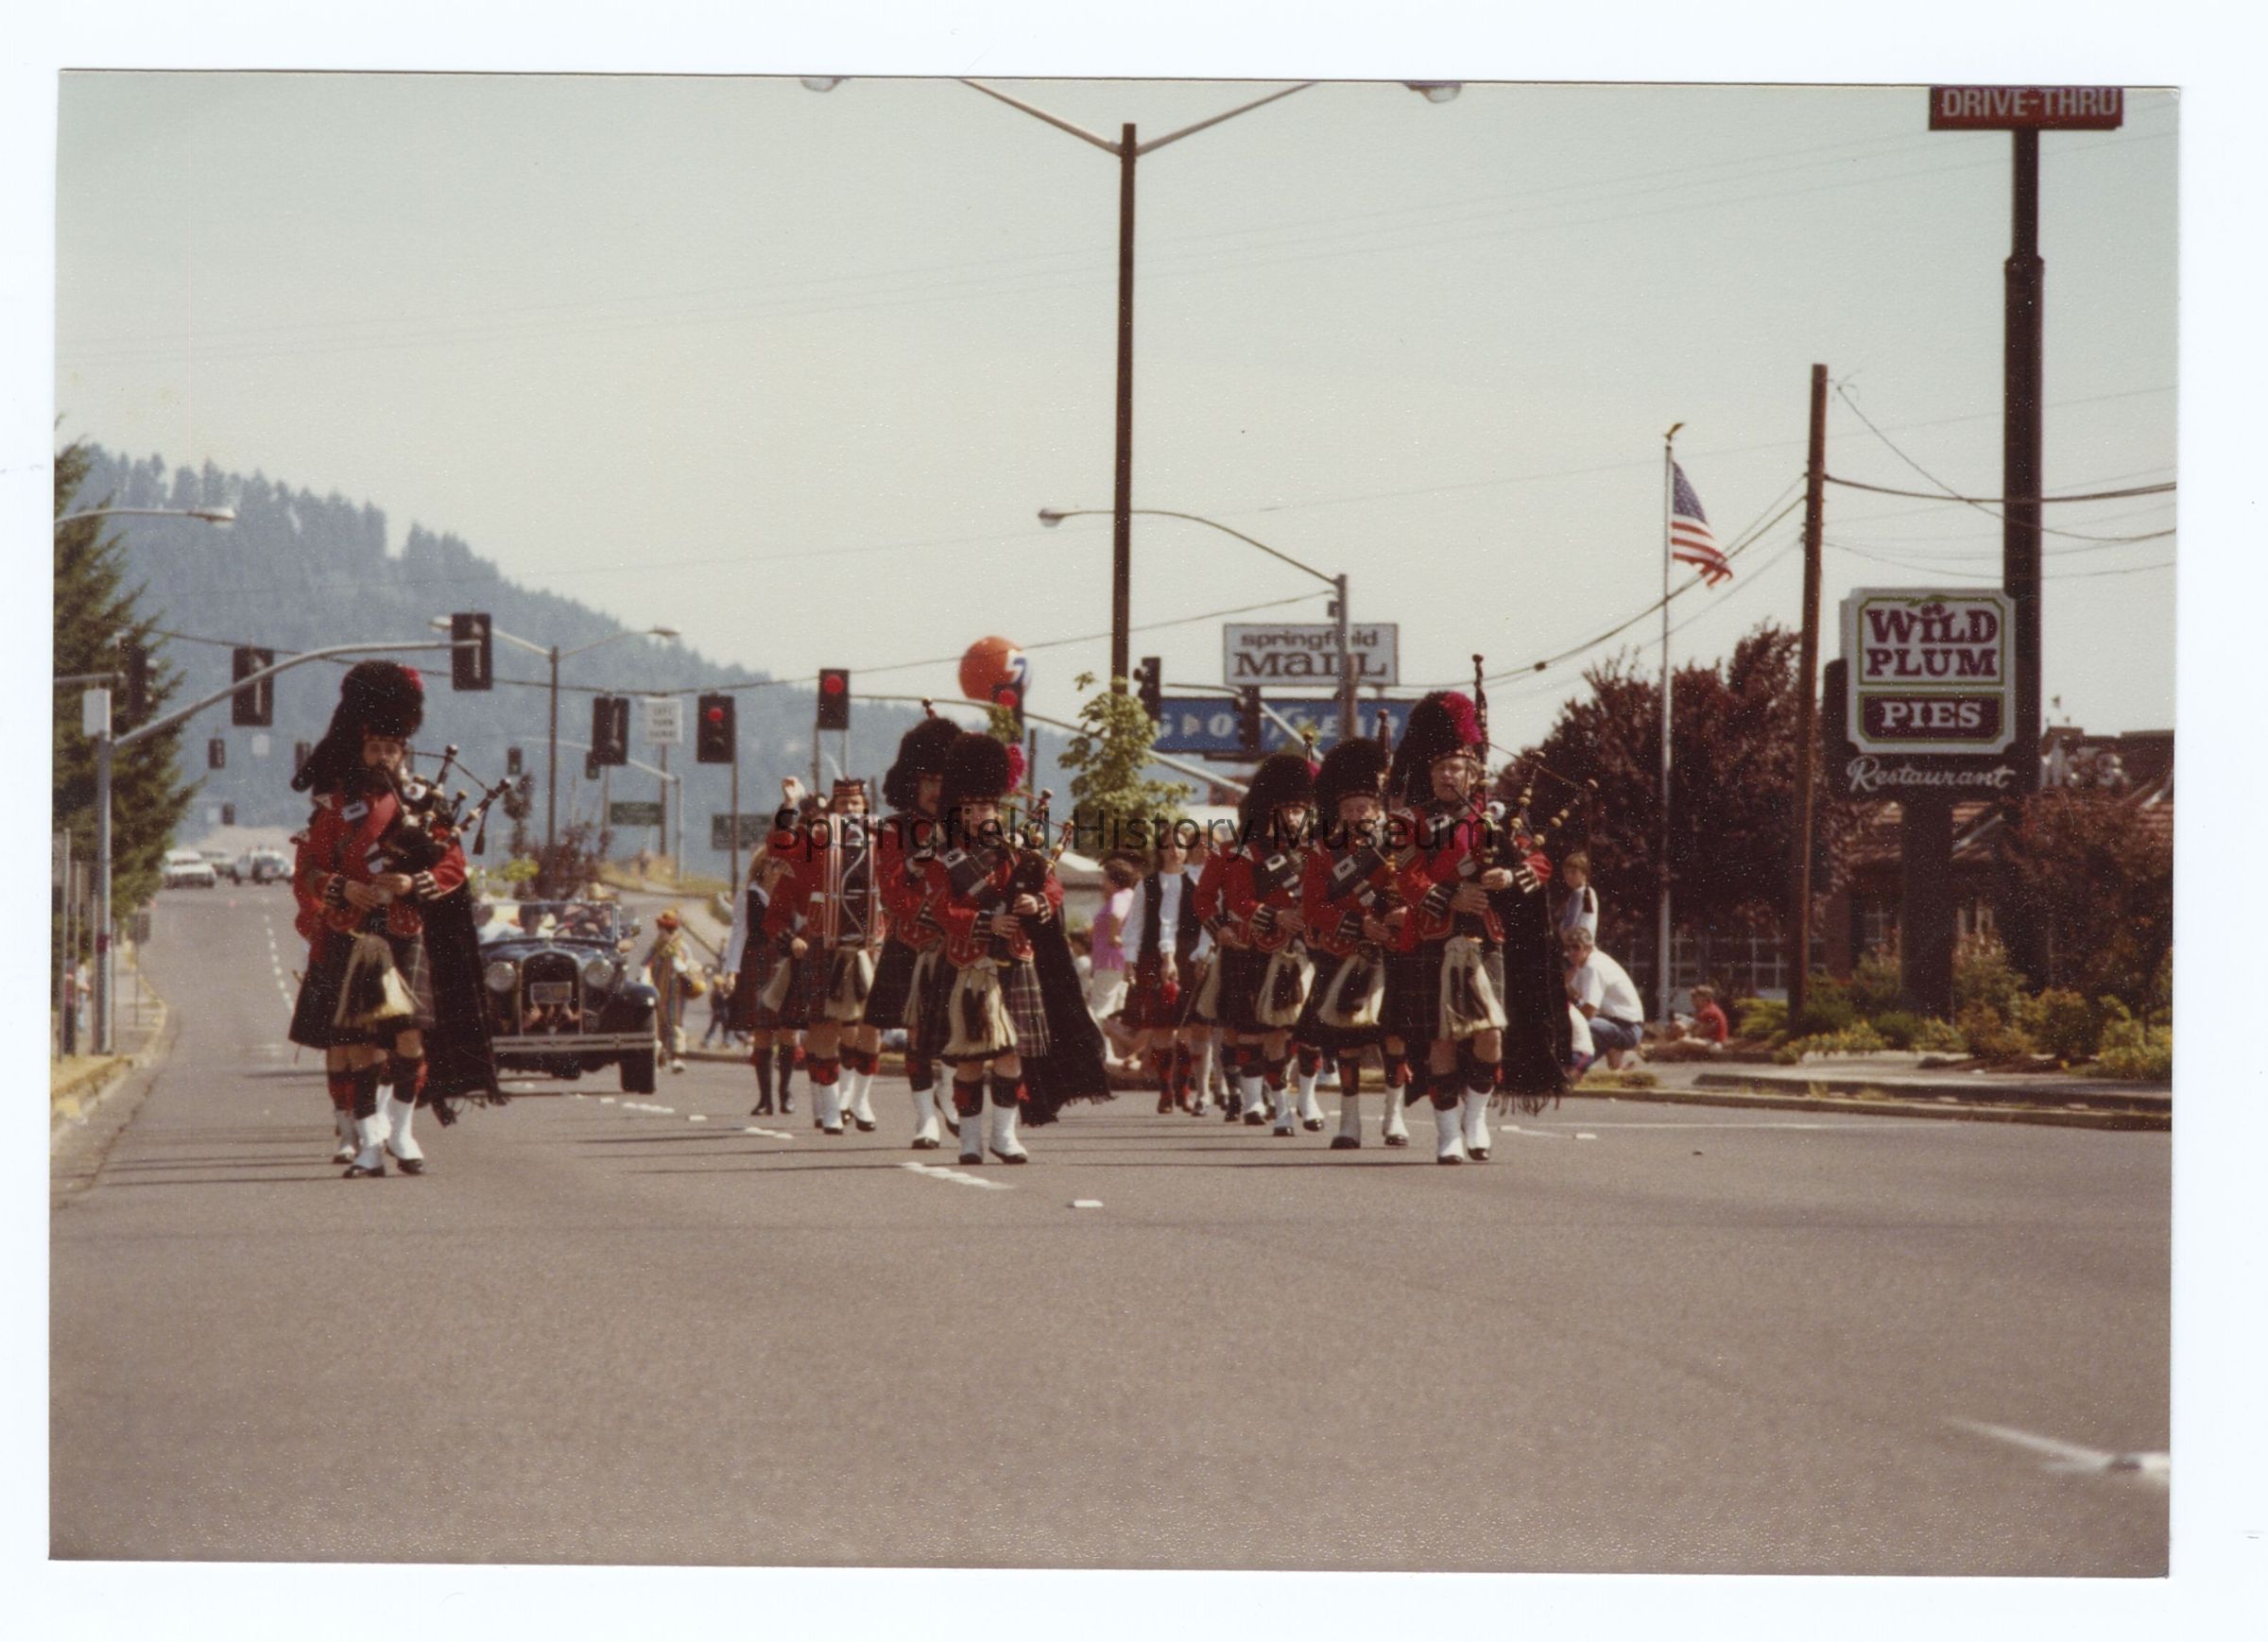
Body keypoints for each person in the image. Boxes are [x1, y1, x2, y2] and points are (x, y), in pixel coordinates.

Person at [286, 660, 496, 1177]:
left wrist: (412, 883)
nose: (382, 756)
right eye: (374, 748)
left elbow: (453, 865)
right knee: (358, 1044)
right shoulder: (336, 807)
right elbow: (309, 868)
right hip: (353, 931)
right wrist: (344, 888)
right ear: (361, 750)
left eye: (391, 748)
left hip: (404, 929)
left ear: (403, 752)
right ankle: (368, 1145)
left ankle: (401, 1129)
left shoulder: (425, 803)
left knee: (409, 1038)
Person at [910, 732, 1108, 1164]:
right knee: (968, 1057)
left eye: (987, 807)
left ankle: (1004, 1136)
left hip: (1016, 959)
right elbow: (942, 909)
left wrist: (1038, 902)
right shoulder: (943, 857)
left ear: (997, 810)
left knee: (1011, 1054)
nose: (980, 815)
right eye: (971, 808)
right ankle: (969, 1141)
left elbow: (1052, 888)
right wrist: (985, 922)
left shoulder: (1018, 851)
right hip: (970, 963)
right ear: (957, 811)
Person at [1194, 752, 1315, 1134]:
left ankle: (1294, 1097)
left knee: (1292, 1030)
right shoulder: (1240, 851)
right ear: (1269, 812)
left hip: (1300, 952)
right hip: (1251, 948)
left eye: (1300, 811)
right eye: (1287, 811)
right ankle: (1251, 1100)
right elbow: (1228, 900)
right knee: (1250, 1028)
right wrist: (1222, 929)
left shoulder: (1315, 853)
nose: (1294, 818)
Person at [1300, 737, 1412, 1150]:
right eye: (1348, 809)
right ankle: (1349, 1122)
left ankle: (1394, 1116)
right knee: (1347, 1042)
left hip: (1393, 951)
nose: (1356, 815)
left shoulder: (1399, 844)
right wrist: (1360, 924)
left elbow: (1417, 887)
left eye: (1363, 807)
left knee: (1395, 1038)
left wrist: (1401, 916)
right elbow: (1313, 907)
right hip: (1346, 951)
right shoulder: (1323, 853)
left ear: (1378, 809)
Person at [765, 778, 888, 1135]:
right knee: (823, 1027)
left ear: (865, 807)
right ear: (833, 810)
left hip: (867, 945)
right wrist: (790, 804)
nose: (850, 810)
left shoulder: (881, 839)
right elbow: (779, 846)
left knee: (870, 1026)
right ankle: (831, 1106)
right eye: (843, 804)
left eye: (856, 804)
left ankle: (858, 1098)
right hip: (824, 941)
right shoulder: (817, 841)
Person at [870, 713, 963, 1150]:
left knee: (958, 1030)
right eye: (927, 780)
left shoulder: (967, 827)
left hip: (959, 943)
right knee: (918, 1035)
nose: (934, 790)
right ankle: (925, 1119)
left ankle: (948, 1092)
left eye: (942, 781)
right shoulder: (894, 829)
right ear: (912, 782)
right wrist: (916, 871)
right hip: (912, 942)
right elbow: (891, 892)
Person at [1116, 828, 1211, 1116]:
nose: (1174, 852)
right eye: (1168, 846)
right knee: (1161, 1027)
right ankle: (1166, 1089)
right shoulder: (1147, 884)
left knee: (1186, 1027)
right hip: (1152, 957)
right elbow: (1135, 925)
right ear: (1160, 850)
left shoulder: (1196, 880)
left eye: (1179, 846)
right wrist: (1130, 960)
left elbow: (1206, 921)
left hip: (1188, 956)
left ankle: (1185, 1088)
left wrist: (1201, 955)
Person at [721, 847, 815, 1116]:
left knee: (789, 1029)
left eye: (783, 865)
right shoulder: (748, 895)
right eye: (773, 864)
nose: (778, 870)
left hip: (788, 962)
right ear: (761, 866)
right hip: (758, 962)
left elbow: (806, 925)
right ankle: (765, 1099)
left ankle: (785, 1092)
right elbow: (738, 934)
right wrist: (731, 971)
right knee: (762, 1031)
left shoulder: (795, 893)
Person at [1565, 926, 1646, 1069]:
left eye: (1576, 947)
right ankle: (1613, 1063)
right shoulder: (1585, 964)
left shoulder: (1593, 967)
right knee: (1576, 1025)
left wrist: (1564, 1023)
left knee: (1577, 1026)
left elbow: (1589, 1010)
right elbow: (1571, 993)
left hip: (1627, 1028)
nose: (1571, 952)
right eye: (1568, 948)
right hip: (1615, 1023)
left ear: (1588, 948)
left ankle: (1579, 1066)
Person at [642, 911, 696, 1074]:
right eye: (662, 929)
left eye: (667, 930)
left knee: (675, 1022)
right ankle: (660, 1058)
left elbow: (691, 967)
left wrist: (683, 967)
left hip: (676, 993)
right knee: (659, 1024)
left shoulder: (682, 947)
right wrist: (644, 977)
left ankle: (677, 1057)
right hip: (658, 990)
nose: (663, 933)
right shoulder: (656, 947)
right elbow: (645, 964)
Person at [1555, 849, 1600, 945]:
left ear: (1584, 873)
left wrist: (1561, 928)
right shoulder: (1591, 892)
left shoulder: (1579, 893)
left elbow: (1570, 924)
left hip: (1578, 944)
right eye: (1566, 873)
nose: (1568, 876)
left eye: (1573, 872)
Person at [1687, 983, 1731, 1049]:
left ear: (1704, 998)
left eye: (1694, 998)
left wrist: (1686, 1031)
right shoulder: (1708, 1009)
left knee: (1683, 1042)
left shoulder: (1709, 1012)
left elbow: (1698, 1033)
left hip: (1715, 1044)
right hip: (1711, 1041)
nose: (1691, 1001)